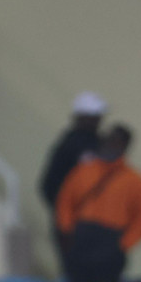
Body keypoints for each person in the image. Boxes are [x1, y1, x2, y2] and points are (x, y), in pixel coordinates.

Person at [55, 124, 141, 282]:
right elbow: (65, 202)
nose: (113, 145)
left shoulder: (135, 180)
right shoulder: (83, 171)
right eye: (110, 140)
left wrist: (123, 244)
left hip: (111, 241)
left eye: (118, 142)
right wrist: (67, 231)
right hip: (81, 237)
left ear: (126, 146)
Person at [39, 92, 107, 266]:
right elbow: (49, 185)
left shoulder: (100, 145)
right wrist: (67, 215)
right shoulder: (71, 145)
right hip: (75, 225)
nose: (99, 121)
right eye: (94, 116)